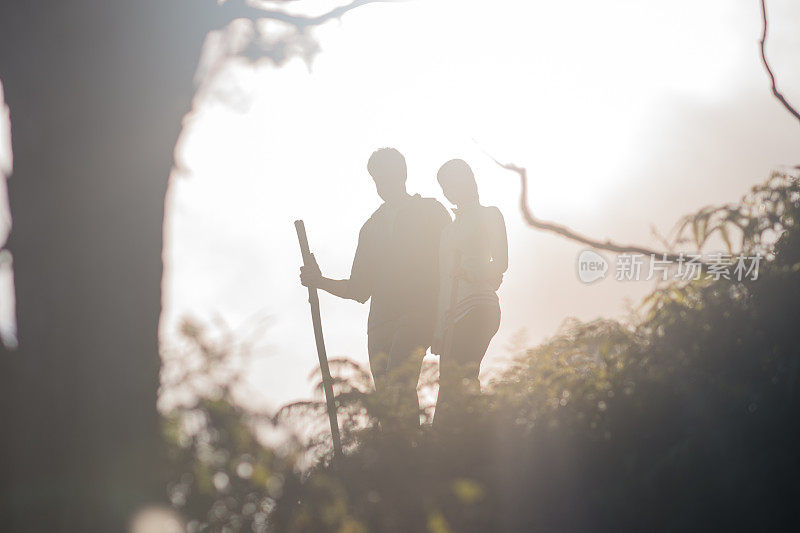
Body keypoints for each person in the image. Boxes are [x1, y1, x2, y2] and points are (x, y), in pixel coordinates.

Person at [300, 148, 451, 431]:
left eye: (388, 175)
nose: (383, 183)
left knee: (399, 381)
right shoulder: (371, 228)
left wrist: (446, 317)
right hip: (379, 324)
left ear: (403, 174)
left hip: (418, 313)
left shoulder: (431, 211)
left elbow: (451, 262)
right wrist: (319, 281)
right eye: (377, 178)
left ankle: (411, 451)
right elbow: (359, 289)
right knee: (385, 399)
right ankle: (395, 453)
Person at [432, 159, 508, 425]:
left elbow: (500, 264)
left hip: (479, 306)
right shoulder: (447, 232)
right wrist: (438, 331)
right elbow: (443, 282)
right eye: (444, 186)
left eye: (452, 182)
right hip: (452, 315)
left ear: (469, 180)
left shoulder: (490, 214)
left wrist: (470, 274)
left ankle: (474, 435)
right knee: (450, 385)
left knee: (461, 377)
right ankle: (460, 440)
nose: (448, 191)